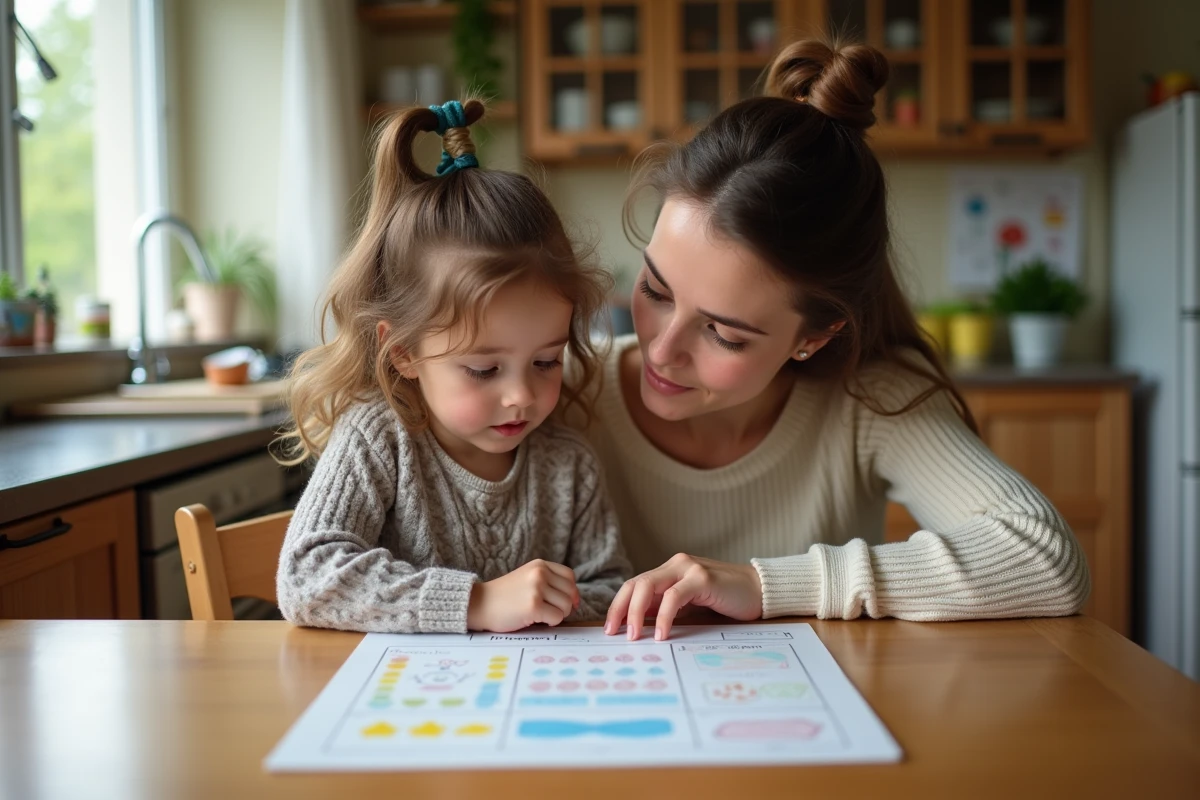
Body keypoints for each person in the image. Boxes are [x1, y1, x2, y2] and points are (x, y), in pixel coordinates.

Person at [588, 39, 1089, 640]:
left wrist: (765, 584)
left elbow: (1046, 557)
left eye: (722, 333)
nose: (662, 350)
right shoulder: (555, 388)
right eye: (656, 290)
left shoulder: (871, 400)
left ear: (816, 336)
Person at [275, 100, 630, 634]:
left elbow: (610, 587)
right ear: (404, 353)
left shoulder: (567, 463)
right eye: (484, 370)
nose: (521, 395)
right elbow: (306, 578)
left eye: (545, 361)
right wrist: (480, 603)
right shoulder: (379, 439)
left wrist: (553, 603)